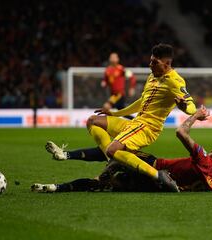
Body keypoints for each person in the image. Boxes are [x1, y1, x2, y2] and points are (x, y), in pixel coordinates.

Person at [32, 107, 212, 193]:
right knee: (104, 183)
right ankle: (56, 188)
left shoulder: (205, 161)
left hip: (155, 168)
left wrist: (195, 115)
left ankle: (67, 156)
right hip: (155, 186)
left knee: (115, 151)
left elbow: (181, 132)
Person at [83, 43, 197, 191]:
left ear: (167, 64)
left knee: (112, 149)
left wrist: (184, 108)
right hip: (136, 123)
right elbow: (141, 102)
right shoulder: (152, 76)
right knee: (93, 121)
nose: (150, 65)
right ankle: (112, 159)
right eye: (150, 61)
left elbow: (191, 105)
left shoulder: (175, 81)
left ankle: (159, 176)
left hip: (148, 128)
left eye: (154, 62)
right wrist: (115, 113)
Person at [102, 52, 136, 119]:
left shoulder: (121, 69)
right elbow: (106, 80)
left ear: (118, 59)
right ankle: (136, 120)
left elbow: (132, 77)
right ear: (109, 59)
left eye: (115, 57)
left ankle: (105, 124)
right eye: (112, 57)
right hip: (113, 94)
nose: (113, 59)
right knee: (123, 112)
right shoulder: (107, 70)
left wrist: (132, 88)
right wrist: (104, 83)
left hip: (119, 94)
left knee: (106, 107)